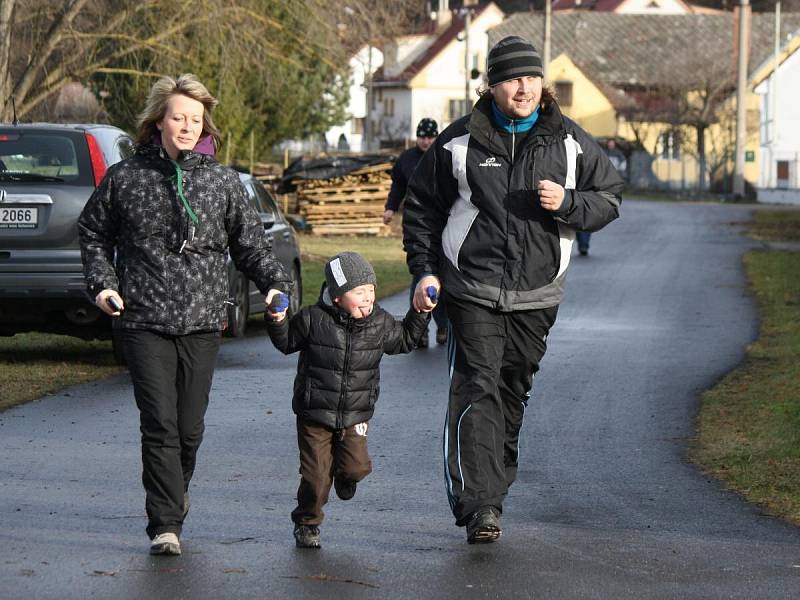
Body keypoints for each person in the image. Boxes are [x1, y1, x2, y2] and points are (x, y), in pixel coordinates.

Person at [403, 36, 624, 544]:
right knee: (477, 387)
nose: (521, 88)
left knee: (511, 390)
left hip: (538, 294)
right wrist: (424, 270)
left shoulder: (569, 142)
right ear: (492, 86)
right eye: (509, 79)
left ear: (542, 83)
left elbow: (608, 197)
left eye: (529, 77)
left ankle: (493, 489)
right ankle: (479, 505)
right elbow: (421, 210)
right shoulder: (459, 142)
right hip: (472, 288)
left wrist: (568, 202)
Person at [78, 74, 292, 556]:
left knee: (189, 428)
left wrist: (276, 285)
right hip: (143, 320)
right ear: (158, 122)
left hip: (201, 322)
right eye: (179, 117)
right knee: (159, 423)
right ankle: (165, 524)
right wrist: (104, 285)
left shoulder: (222, 182)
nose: (188, 127)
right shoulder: (126, 178)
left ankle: (175, 490)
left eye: (196, 119)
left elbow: (251, 246)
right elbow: (93, 234)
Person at [266, 252, 429, 548]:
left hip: (355, 415)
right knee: (315, 477)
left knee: (356, 468)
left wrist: (420, 313)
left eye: (371, 291)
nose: (367, 299)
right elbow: (287, 341)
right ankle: (307, 522)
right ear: (338, 297)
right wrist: (277, 319)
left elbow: (405, 340)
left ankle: (345, 475)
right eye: (358, 293)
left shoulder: (378, 323)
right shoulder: (313, 320)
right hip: (314, 414)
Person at [383, 118, 447, 348]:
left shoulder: (444, 155)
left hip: (442, 223)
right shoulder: (406, 160)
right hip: (415, 223)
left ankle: (443, 326)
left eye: (430, 137)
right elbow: (397, 187)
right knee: (421, 273)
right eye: (422, 137)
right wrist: (390, 208)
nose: (426, 141)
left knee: (441, 275)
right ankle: (419, 329)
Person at [576, 139, 627, 255]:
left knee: (585, 218)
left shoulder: (599, 158)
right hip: (579, 191)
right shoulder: (577, 154)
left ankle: (583, 245)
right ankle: (583, 244)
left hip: (588, 192)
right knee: (581, 219)